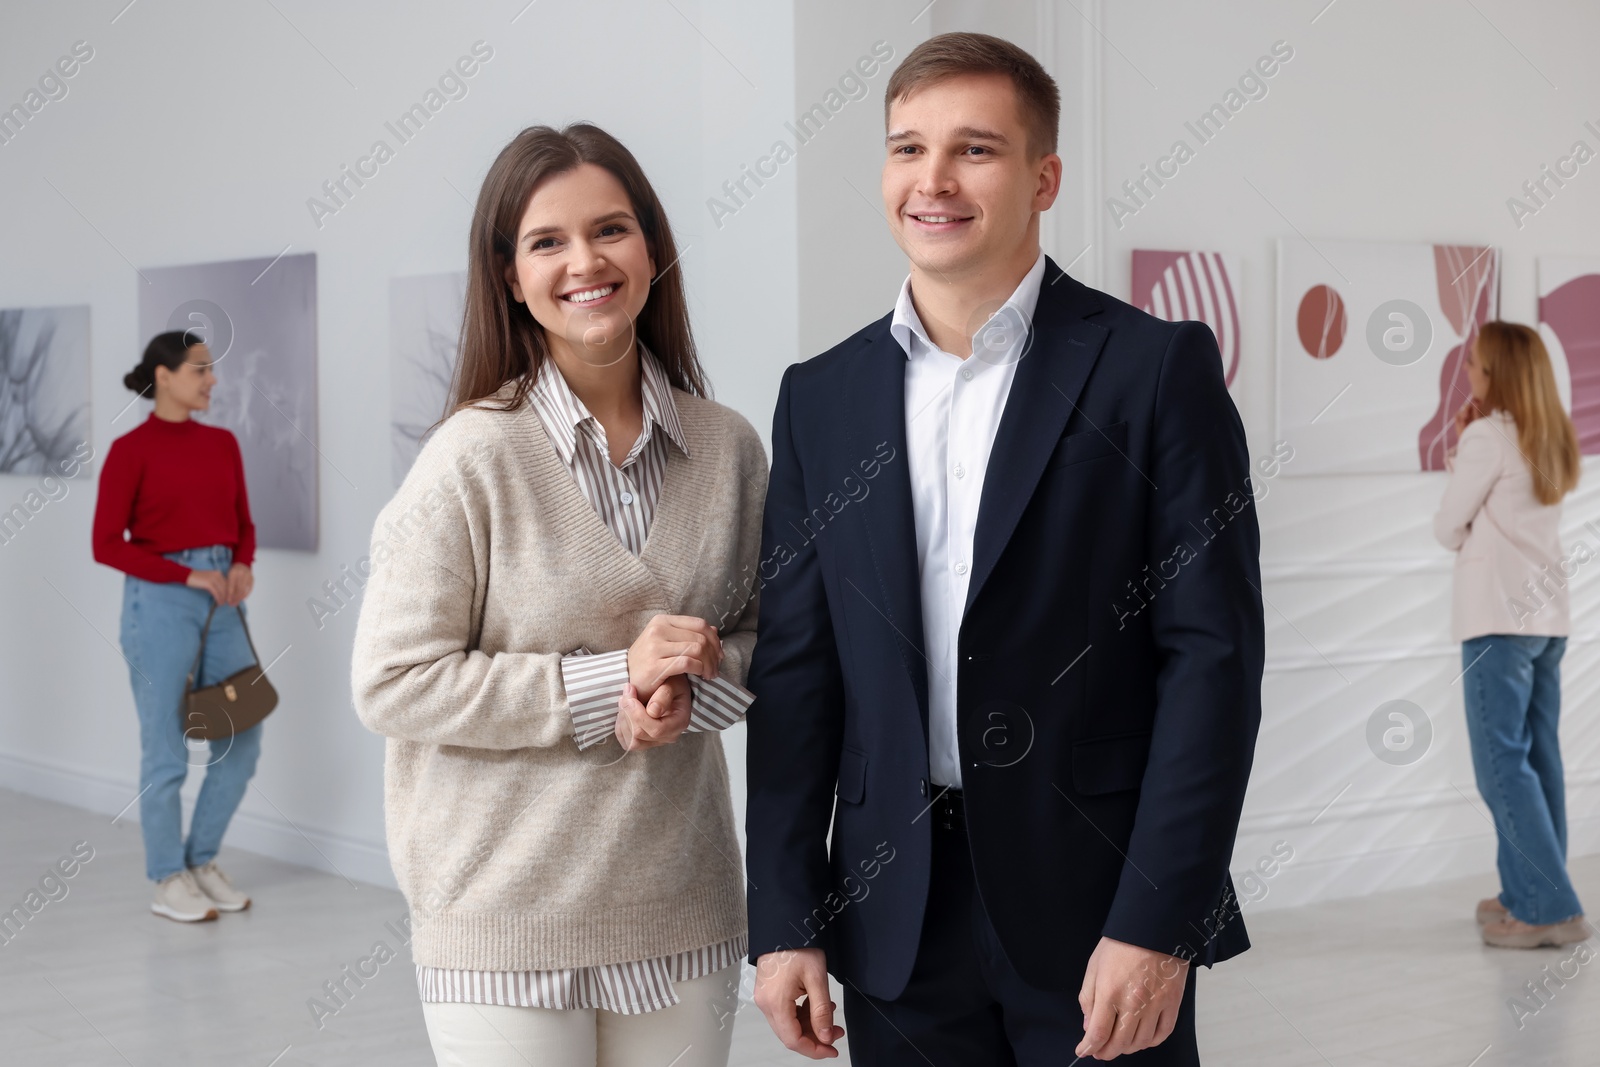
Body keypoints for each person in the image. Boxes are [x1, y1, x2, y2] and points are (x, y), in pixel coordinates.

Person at [745, 32, 1264, 1065]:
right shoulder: (821, 397)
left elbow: (1212, 660)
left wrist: (1158, 921)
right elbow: (798, 675)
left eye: (973, 150)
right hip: (894, 909)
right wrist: (785, 916)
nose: (931, 180)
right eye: (906, 149)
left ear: (1043, 176)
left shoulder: (1153, 369)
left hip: (1097, 901)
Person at [350, 123, 767, 1067]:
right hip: (502, 920)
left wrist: (695, 682)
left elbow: (764, 639)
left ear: (652, 247)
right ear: (510, 275)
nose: (586, 261)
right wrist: (608, 688)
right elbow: (392, 682)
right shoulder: (470, 456)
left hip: (682, 909)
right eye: (547, 242)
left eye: (611, 229)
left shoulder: (731, 448)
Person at [92, 329, 261, 923]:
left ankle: (200, 861)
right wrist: (183, 575)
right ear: (163, 376)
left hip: (224, 599)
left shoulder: (222, 444)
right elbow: (105, 545)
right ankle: (167, 878)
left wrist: (242, 562)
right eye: (199, 370)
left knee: (240, 737)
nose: (212, 379)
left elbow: (243, 521)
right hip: (159, 604)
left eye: (210, 370)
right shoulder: (130, 451)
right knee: (165, 749)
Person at [1433, 321, 1588, 949]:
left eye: (1475, 364)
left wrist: (1466, 439)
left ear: (1496, 373)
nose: (1467, 372)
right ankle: (1523, 891)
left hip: (1497, 619)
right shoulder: (1549, 433)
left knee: (1501, 766)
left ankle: (1548, 909)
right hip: (1546, 622)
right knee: (1536, 760)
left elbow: (1447, 526)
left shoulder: (1486, 438)